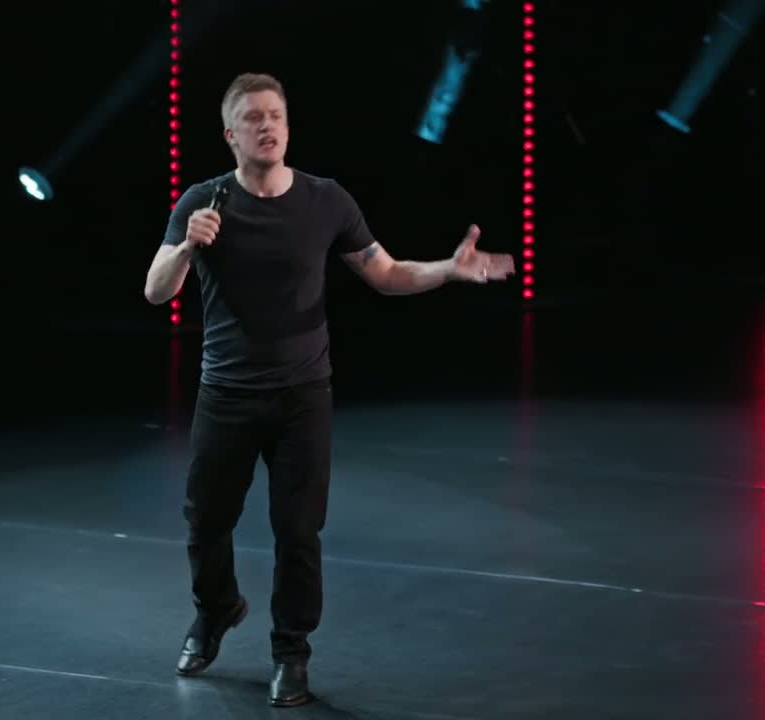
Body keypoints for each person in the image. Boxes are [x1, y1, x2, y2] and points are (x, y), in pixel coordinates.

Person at [143, 72, 514, 708]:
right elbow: (156, 290)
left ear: (287, 127)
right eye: (253, 117)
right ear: (231, 135)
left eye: (276, 115)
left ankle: (291, 652)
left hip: (301, 396)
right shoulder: (204, 202)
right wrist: (186, 249)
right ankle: (216, 609)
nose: (267, 125)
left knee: (298, 530)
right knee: (206, 522)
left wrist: (449, 270)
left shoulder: (325, 200)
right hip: (226, 394)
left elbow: (386, 274)